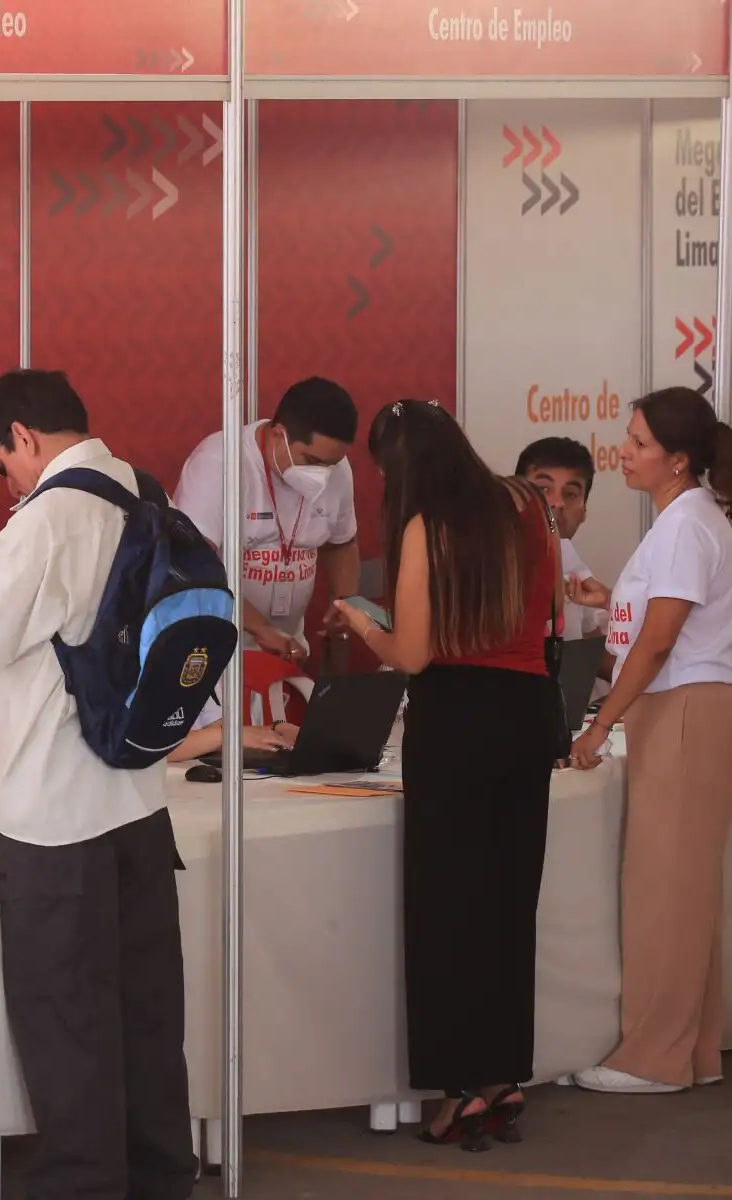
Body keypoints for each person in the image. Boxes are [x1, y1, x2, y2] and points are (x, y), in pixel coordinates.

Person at [0, 369, 195, 1199]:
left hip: (54, 816)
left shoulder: (47, 519)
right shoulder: (139, 491)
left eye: (0, 463)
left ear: (20, 437)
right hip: (137, 800)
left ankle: (85, 1186)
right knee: (147, 1015)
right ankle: (161, 1175)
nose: (3, 481)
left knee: (67, 1023)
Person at [333, 400, 559, 1150]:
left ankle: (459, 1087)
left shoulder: (429, 526)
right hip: (530, 713)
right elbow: (549, 611)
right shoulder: (526, 504)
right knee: (506, 905)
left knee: (448, 912)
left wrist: (361, 620)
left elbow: (414, 654)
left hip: (458, 720)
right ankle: (504, 1074)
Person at [567, 389, 732, 1095]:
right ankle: (691, 1050)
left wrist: (602, 723)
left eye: (638, 443)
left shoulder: (689, 525)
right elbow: (655, 623)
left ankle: (653, 1057)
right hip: (680, 706)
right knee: (685, 887)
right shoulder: (680, 521)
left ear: (679, 460)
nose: (624, 453)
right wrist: (609, 602)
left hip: (686, 706)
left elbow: (662, 642)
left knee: (666, 886)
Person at [173, 376, 363, 663]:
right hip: (217, 652)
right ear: (278, 436)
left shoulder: (338, 470)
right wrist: (259, 628)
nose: (323, 474)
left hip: (286, 648)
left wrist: (346, 602)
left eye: (331, 464)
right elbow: (191, 565)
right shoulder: (219, 464)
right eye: (312, 461)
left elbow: (342, 543)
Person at [515, 436, 609, 641]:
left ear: (584, 511)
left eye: (571, 494)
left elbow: (590, 653)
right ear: (517, 499)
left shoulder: (574, 567)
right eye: (543, 489)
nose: (557, 503)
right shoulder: (490, 568)